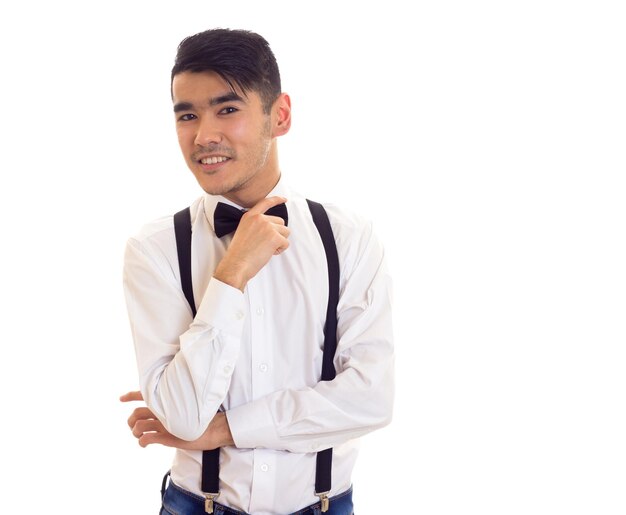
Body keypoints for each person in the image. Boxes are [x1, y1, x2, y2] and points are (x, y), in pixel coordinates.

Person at [120, 28, 394, 515]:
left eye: (227, 109)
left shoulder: (349, 239)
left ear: (280, 115)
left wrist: (225, 429)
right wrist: (231, 275)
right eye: (188, 114)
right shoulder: (155, 249)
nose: (204, 135)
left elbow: (370, 399)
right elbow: (182, 416)